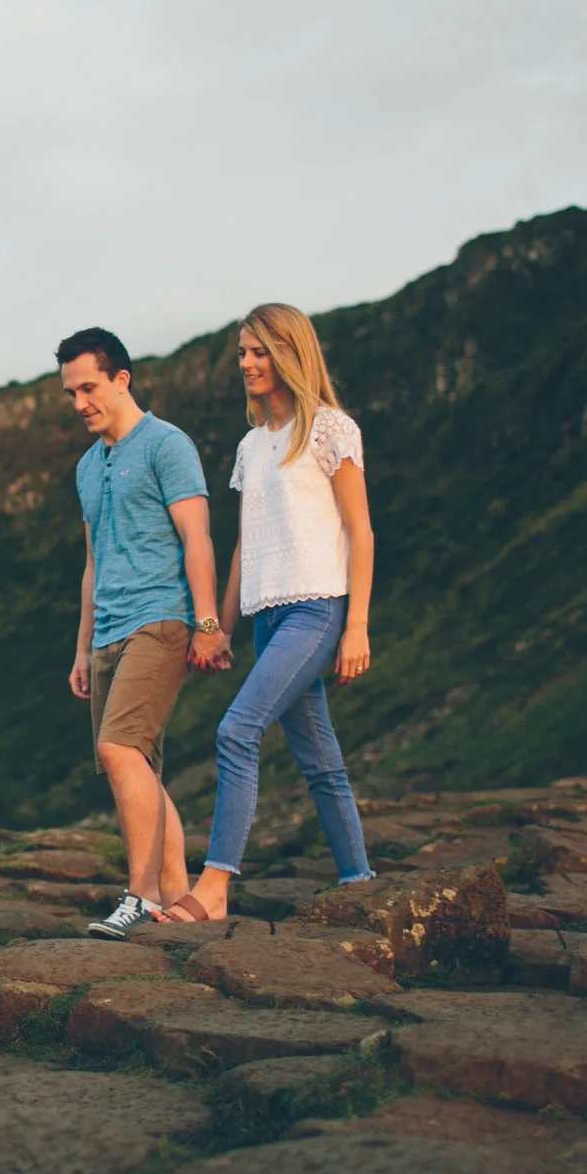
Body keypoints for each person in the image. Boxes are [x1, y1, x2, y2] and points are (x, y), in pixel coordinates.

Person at [155, 303, 375, 923]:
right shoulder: (252, 446)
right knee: (319, 760)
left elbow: (361, 531)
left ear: (290, 353)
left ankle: (215, 888)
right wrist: (221, 628)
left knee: (237, 730)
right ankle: (360, 882)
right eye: (243, 354)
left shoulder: (331, 429)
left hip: (318, 608)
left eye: (259, 352)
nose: (248, 364)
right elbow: (246, 545)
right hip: (267, 618)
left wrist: (356, 624)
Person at [59, 327, 231, 940]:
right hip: (106, 629)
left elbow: (198, 539)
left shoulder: (167, 444)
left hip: (161, 621)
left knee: (119, 748)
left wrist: (208, 625)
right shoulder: (87, 466)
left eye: (89, 387)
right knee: (133, 766)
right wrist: (82, 646)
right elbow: (93, 561)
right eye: (71, 392)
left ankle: (137, 897)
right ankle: (183, 899)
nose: (79, 402)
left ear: (121, 378)